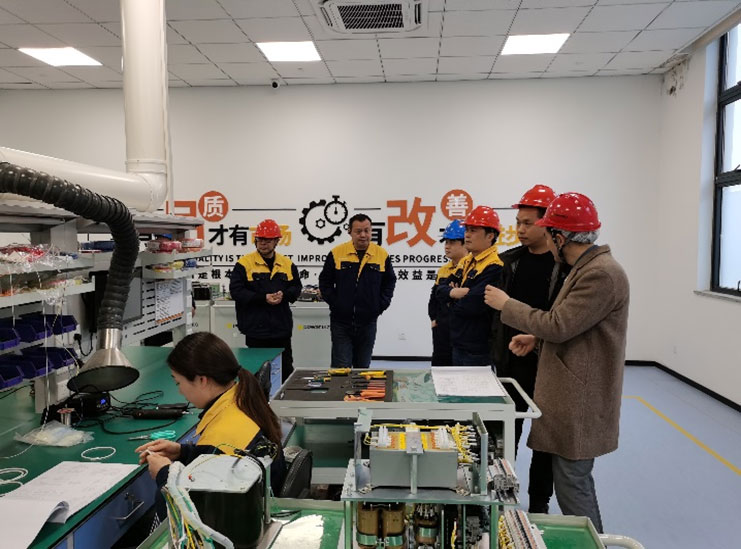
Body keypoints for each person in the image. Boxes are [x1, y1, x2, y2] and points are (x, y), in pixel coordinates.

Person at [484, 192, 629, 533]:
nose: (545, 241)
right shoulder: (584, 269)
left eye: (547, 233)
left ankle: (594, 541)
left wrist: (507, 305)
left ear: (560, 237)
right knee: (568, 477)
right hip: (569, 389)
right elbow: (576, 324)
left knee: (572, 481)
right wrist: (537, 338)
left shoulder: (600, 274)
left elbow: (559, 324)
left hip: (580, 395)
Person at [137, 332, 287, 510]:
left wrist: (165, 474)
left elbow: (193, 514)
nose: (180, 391)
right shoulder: (243, 399)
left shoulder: (221, 435)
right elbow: (221, 458)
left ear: (202, 380)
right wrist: (183, 452)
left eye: (178, 383)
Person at [490, 184, 564, 514]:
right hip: (510, 362)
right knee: (507, 433)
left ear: (547, 223)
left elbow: (561, 320)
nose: (519, 229)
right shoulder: (510, 263)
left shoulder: (564, 267)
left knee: (544, 438)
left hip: (549, 365)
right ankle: (503, 495)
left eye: (527, 223)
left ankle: (538, 503)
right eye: (518, 222)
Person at [319, 213, 396, 368]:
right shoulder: (337, 253)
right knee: (342, 367)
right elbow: (325, 282)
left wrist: (379, 306)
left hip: (368, 323)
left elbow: (389, 282)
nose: (363, 235)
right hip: (341, 322)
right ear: (350, 232)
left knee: (362, 368)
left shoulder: (381, 255)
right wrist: (336, 303)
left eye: (367, 231)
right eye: (358, 231)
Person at [229, 219, 302, 382]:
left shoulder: (287, 264)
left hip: (281, 329)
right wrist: (263, 298)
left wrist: (284, 295)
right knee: (257, 374)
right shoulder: (244, 264)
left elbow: (296, 287)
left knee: (285, 370)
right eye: (260, 239)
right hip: (256, 330)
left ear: (276, 241)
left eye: (268, 240)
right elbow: (236, 291)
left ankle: (283, 399)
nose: (263, 243)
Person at [437, 206, 503, 366]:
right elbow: (439, 291)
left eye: (473, 230)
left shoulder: (495, 266)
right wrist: (454, 293)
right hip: (458, 342)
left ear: (490, 236)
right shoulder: (466, 261)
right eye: (467, 229)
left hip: (478, 348)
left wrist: (451, 297)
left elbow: (472, 305)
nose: (467, 234)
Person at [428, 219, 468, 366]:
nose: (447, 246)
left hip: (463, 330)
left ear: (465, 243)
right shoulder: (444, 270)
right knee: (440, 367)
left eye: (452, 242)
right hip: (442, 329)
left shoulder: (472, 269)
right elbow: (434, 297)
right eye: (446, 242)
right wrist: (433, 318)